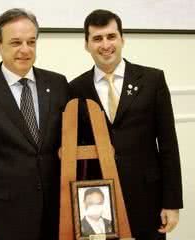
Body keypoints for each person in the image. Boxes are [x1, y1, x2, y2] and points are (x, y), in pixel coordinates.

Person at [69, 9, 183, 240]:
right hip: (99, 204)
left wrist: (171, 203)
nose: (105, 45)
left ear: (122, 39)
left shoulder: (152, 80)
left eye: (111, 36)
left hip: (147, 198)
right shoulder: (75, 89)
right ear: (86, 44)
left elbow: (168, 145)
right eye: (97, 38)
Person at [0, 8, 69, 240]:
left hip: (56, 218)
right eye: (16, 42)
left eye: (31, 42)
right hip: (3, 219)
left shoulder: (58, 85)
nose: (25, 50)